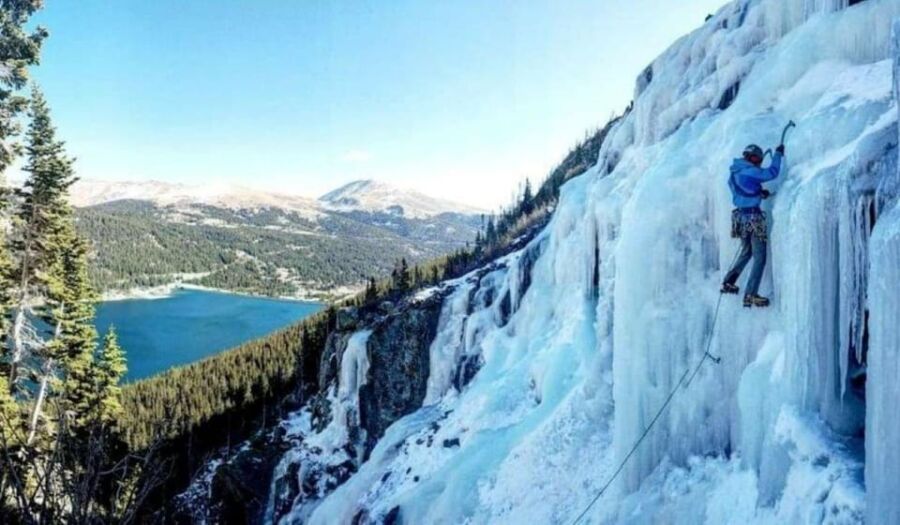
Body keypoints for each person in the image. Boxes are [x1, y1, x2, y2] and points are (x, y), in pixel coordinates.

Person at [721, 143, 784, 307]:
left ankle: (729, 281)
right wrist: (778, 154)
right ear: (750, 157)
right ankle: (750, 294)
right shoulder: (749, 170)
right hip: (754, 218)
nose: (759, 162)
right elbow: (772, 173)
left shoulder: (735, 171)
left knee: (746, 251)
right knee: (760, 257)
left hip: (739, 217)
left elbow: (744, 189)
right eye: (757, 158)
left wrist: (757, 193)